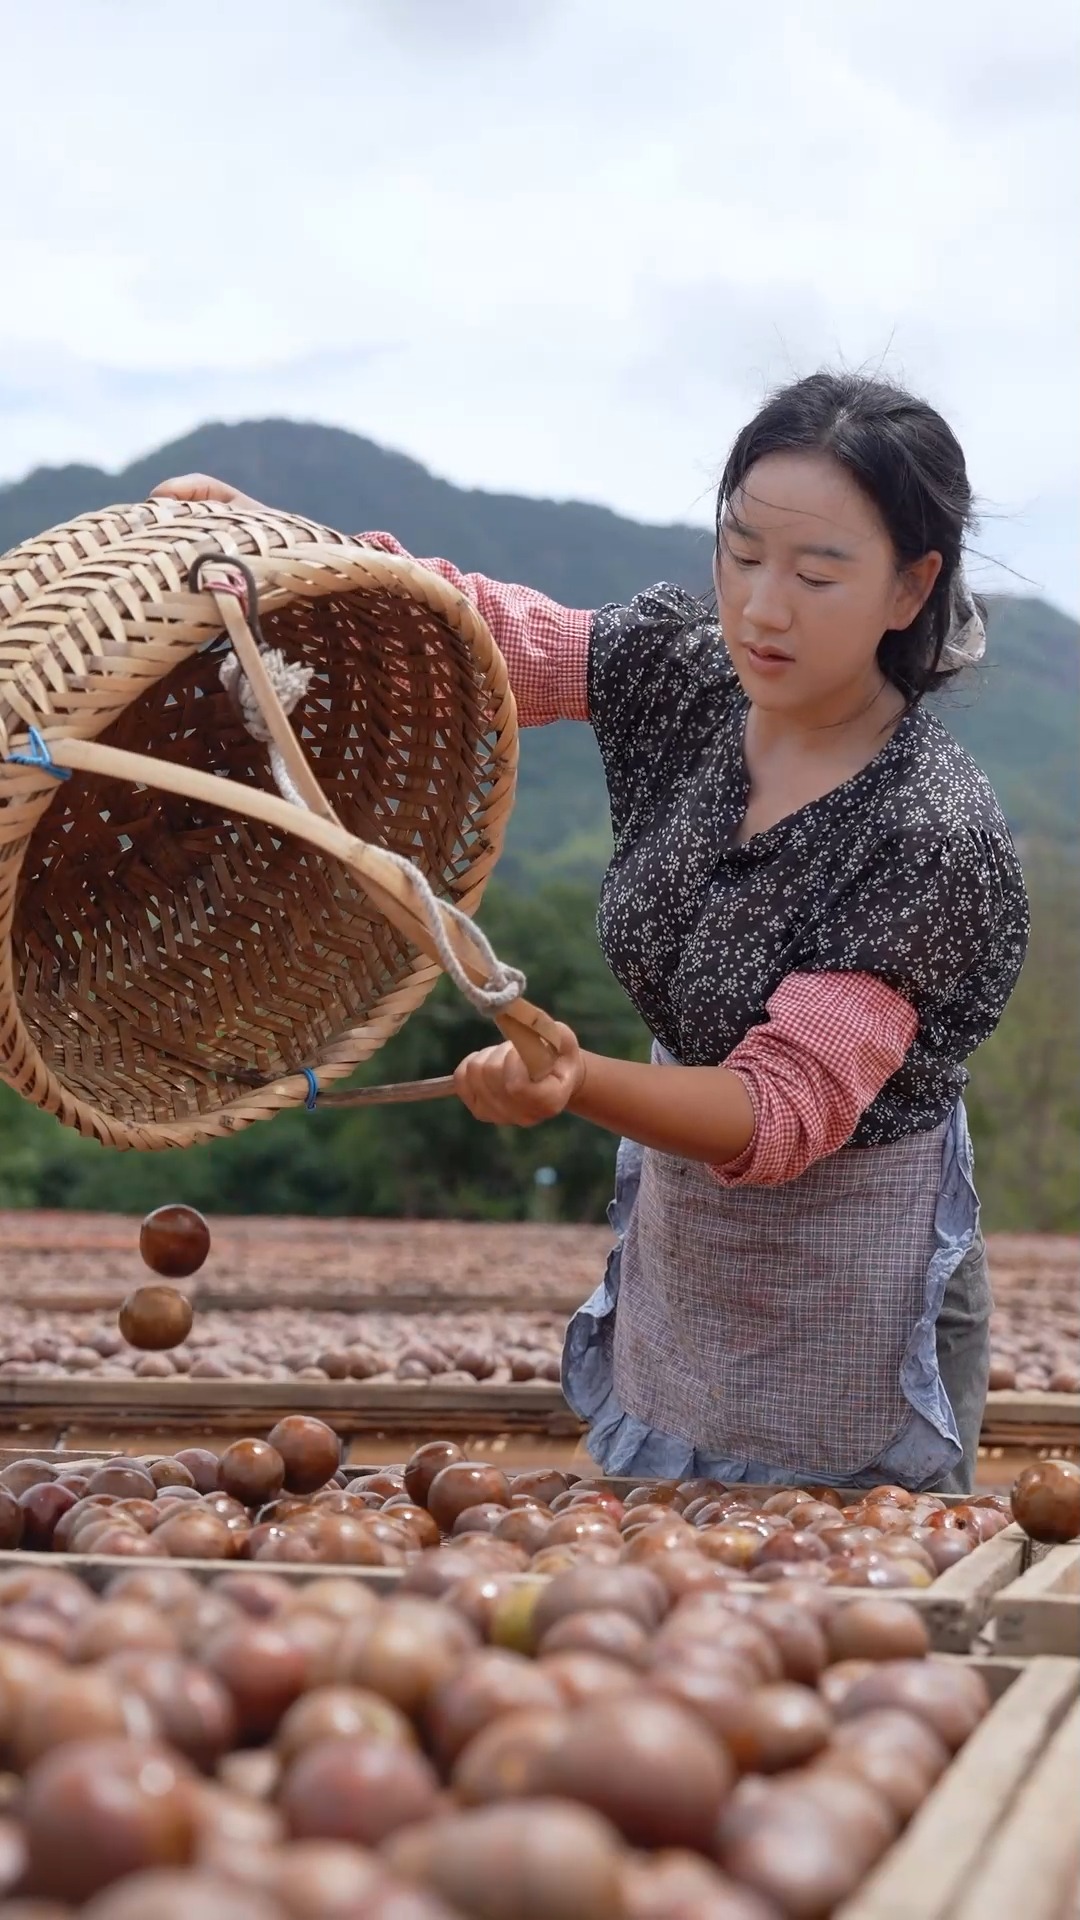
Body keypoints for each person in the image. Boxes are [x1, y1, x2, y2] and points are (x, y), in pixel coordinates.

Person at [153, 370, 1029, 1492]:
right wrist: (288, 559)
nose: (763, 606)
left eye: (817, 573)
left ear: (911, 588)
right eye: (744, 550)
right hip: (689, 1251)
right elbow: (483, 639)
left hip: (851, 1270)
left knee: (838, 1607)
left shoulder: (925, 833)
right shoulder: (687, 676)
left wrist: (570, 1079)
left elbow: (775, 1109)